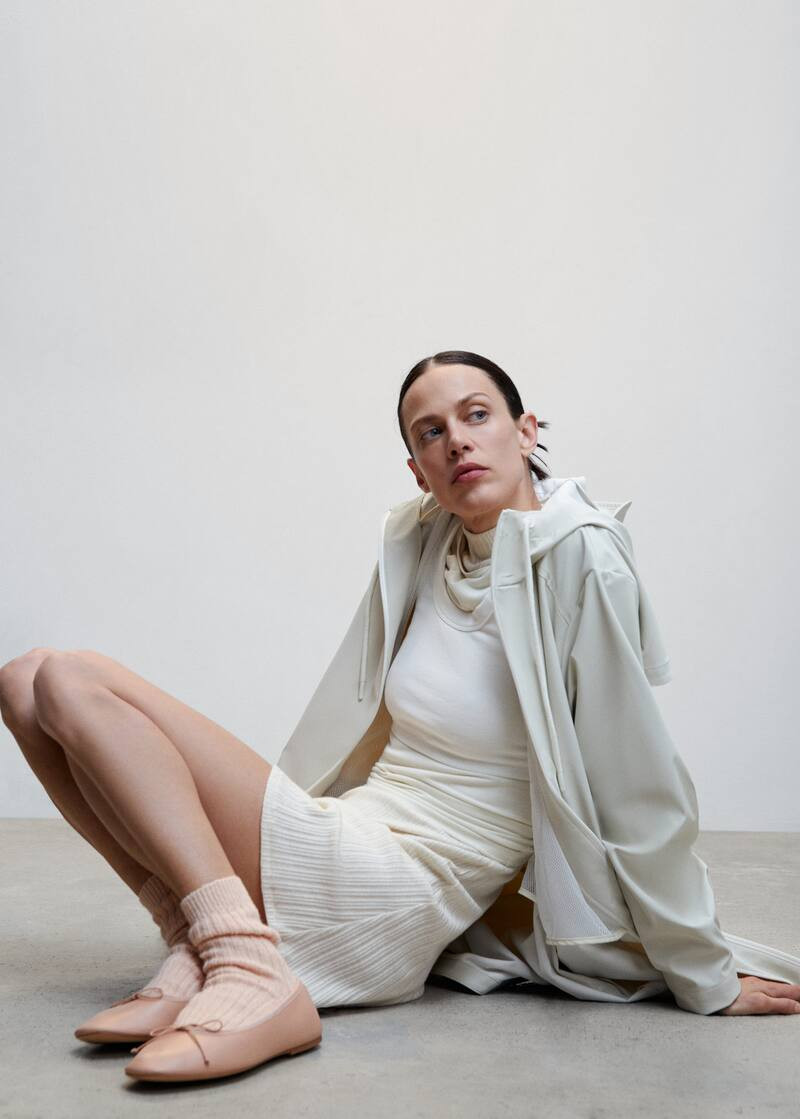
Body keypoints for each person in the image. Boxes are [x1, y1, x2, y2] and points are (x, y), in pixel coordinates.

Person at [2, 352, 798, 1085]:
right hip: (352, 829)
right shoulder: (425, 544)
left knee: (72, 678)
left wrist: (701, 969)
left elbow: (636, 777)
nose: (458, 440)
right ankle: (205, 936)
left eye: (477, 414)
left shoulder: (581, 557)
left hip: (402, 887)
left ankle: (246, 960)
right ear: (418, 469)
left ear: (526, 431)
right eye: (432, 432)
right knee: (23, 681)